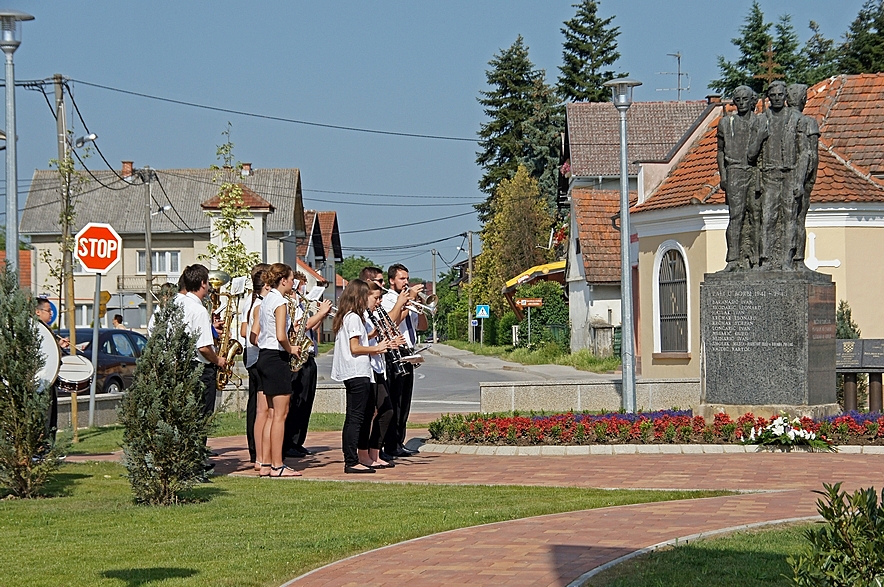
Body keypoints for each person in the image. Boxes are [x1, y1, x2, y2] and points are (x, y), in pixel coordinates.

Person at [331, 278, 394, 474]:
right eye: (367, 296)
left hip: (354, 372)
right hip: (357, 372)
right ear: (359, 297)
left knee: (357, 416)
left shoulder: (348, 316)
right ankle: (351, 460)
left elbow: (358, 341)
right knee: (356, 418)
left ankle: (355, 458)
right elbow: (355, 347)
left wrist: (374, 336)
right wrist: (377, 348)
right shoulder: (354, 318)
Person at [253, 263, 302, 478]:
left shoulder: (266, 299)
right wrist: (292, 349)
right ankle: (277, 465)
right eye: (291, 279)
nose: (293, 283)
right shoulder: (280, 302)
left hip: (264, 356)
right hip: (276, 357)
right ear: (283, 280)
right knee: (280, 415)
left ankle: (265, 463)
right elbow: (281, 335)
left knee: (271, 414)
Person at [283, 273, 333, 458]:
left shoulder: (302, 305)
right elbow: (298, 328)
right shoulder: (289, 305)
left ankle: (298, 441)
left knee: (306, 402)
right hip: (297, 358)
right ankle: (289, 442)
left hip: (309, 355)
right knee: (296, 401)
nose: (303, 290)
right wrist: (319, 314)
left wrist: (322, 315)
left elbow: (311, 327)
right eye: (301, 286)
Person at [175, 264, 227, 431]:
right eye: (208, 283)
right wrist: (218, 360)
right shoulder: (199, 310)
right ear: (203, 283)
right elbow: (203, 347)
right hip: (200, 370)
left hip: (181, 366)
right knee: (201, 418)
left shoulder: (178, 304)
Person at [717, 85, 763, 271]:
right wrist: (723, 175)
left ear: (752, 101)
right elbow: (720, 151)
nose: (742, 103)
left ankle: (757, 257)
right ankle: (733, 259)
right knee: (736, 216)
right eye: (738, 100)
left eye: (745, 99)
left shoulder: (761, 122)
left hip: (755, 172)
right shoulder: (726, 123)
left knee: (757, 215)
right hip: (735, 171)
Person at [380, 263, 423, 458]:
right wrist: (407, 302)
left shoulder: (408, 299)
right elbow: (392, 323)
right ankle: (390, 444)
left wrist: (420, 307)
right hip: (394, 351)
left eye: (407, 278)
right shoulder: (388, 300)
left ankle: (399, 441)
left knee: (405, 402)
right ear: (392, 281)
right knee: (395, 401)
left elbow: (421, 326)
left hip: (409, 352)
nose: (406, 282)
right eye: (402, 278)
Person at [361, 280, 399, 469]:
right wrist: (377, 335)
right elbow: (360, 340)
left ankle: (374, 452)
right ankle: (364, 454)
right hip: (366, 368)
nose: (379, 302)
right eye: (376, 298)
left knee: (386, 410)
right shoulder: (359, 316)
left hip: (378, 367)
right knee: (371, 412)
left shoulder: (372, 314)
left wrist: (391, 341)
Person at [785, 82, 820, 270]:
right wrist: (807, 180)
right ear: (803, 99)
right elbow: (811, 154)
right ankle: (797, 259)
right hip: (800, 177)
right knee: (798, 219)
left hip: (779, 177)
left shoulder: (779, 121)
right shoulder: (808, 122)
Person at [240, 263, 270, 467]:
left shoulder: (255, 302)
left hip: (256, 356)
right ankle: (258, 451)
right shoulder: (256, 303)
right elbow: (247, 333)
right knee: (260, 408)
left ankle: (259, 451)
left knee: (259, 407)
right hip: (257, 356)